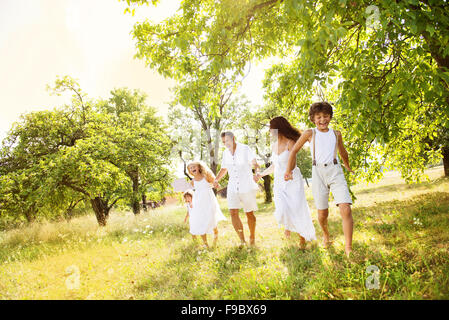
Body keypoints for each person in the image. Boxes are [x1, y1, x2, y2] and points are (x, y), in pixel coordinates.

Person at [284, 102, 354, 257]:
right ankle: (326, 234)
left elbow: (343, 152)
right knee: (322, 214)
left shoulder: (336, 134)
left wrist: (347, 166)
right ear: (313, 119)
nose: (323, 120)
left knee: (346, 208)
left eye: (326, 116)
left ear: (330, 117)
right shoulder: (310, 133)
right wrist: (288, 170)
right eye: (319, 117)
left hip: (335, 171)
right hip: (318, 173)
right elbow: (294, 150)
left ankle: (348, 248)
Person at [254, 117, 316, 249]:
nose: (269, 131)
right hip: (279, 182)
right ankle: (287, 232)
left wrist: (289, 172)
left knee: (297, 208)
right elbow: (274, 166)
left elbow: (292, 162)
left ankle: (302, 239)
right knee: (282, 209)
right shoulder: (274, 145)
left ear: (278, 128)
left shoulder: (291, 142)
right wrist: (261, 174)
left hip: (292, 180)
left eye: (271, 128)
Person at [214, 131, 260, 247]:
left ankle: (252, 236)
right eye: (224, 142)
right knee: (233, 213)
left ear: (233, 138)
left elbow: (256, 164)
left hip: (246, 185)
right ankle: (242, 240)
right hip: (233, 186)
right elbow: (224, 169)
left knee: (249, 213)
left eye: (228, 141)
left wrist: (257, 173)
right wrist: (216, 179)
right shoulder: (225, 153)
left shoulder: (245, 149)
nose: (226, 144)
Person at [186, 161, 226, 248]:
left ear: (199, 167)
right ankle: (205, 243)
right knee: (201, 221)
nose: (192, 169)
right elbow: (190, 192)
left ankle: (215, 238)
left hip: (209, 201)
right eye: (190, 168)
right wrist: (190, 201)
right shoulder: (192, 181)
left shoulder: (206, 176)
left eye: (194, 166)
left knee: (211, 220)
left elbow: (215, 183)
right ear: (189, 171)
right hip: (198, 202)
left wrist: (216, 184)